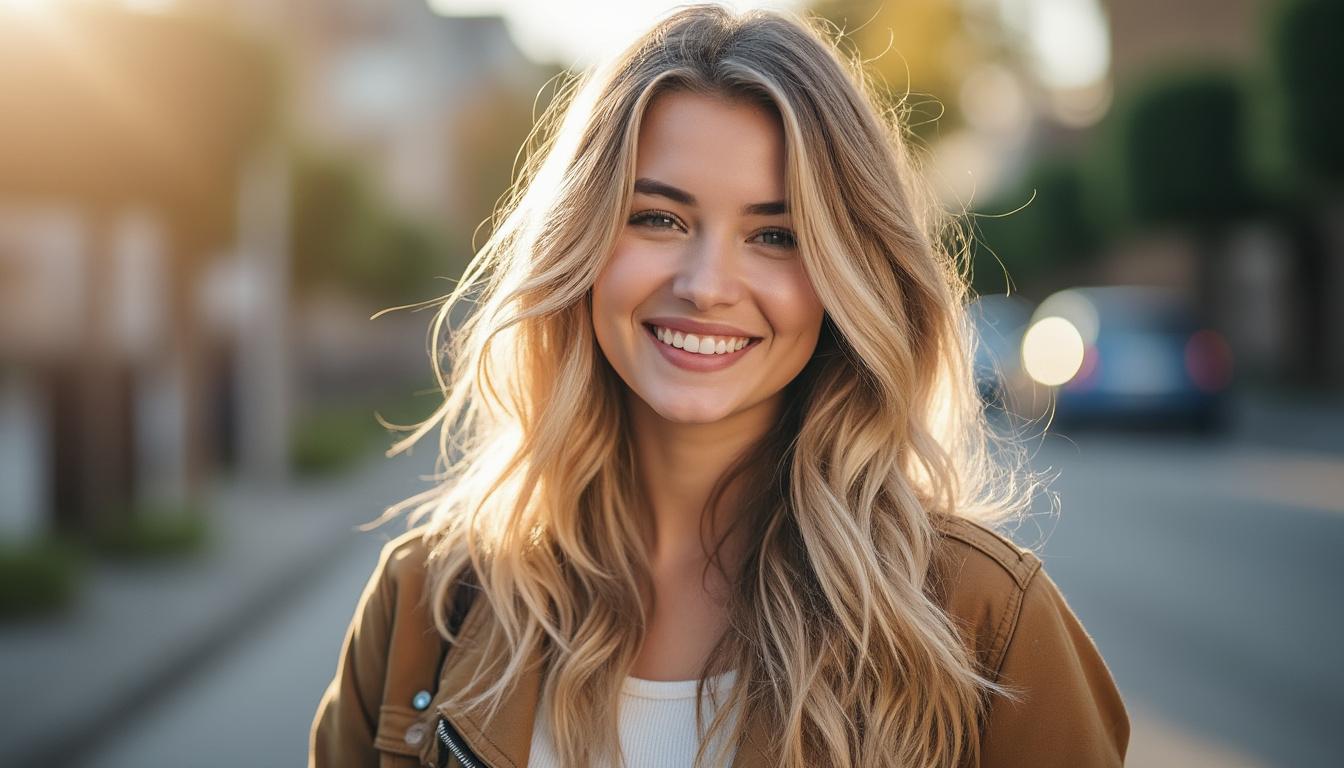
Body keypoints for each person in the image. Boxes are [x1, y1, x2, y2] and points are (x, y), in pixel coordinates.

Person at [310, 5, 1129, 767]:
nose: (706, 286)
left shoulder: (985, 619)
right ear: (580, 243)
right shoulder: (425, 605)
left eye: (776, 235)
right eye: (658, 218)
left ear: (847, 276)